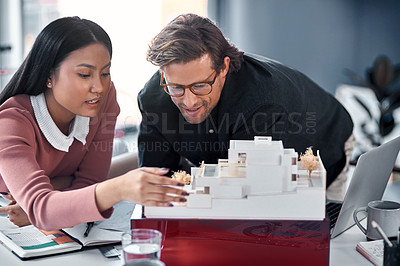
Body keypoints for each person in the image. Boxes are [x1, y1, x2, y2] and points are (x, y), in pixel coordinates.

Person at [137, 13, 354, 199]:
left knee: (310, 231)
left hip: (325, 139)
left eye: (200, 85)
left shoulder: (262, 101)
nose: (189, 101)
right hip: (240, 166)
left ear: (224, 68)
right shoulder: (152, 100)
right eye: (176, 87)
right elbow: (157, 181)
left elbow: (250, 196)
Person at [0, 17, 187, 231]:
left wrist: (52, 194)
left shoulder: (103, 100)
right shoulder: (11, 122)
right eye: (84, 74)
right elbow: (43, 210)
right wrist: (118, 188)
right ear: (49, 76)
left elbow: (89, 183)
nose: (99, 87)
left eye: (105, 73)